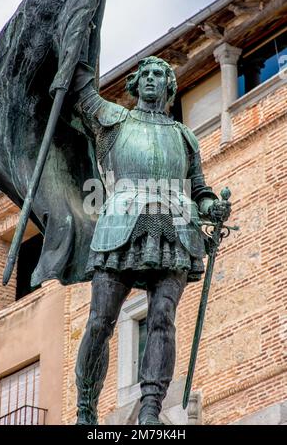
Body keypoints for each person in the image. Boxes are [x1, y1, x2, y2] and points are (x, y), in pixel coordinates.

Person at [72, 56, 231, 425]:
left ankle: (149, 410)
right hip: (120, 227)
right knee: (100, 320)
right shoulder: (114, 121)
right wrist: (79, 34)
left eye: (159, 75)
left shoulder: (184, 136)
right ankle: (85, 407)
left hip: (175, 227)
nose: (151, 79)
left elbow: (200, 190)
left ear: (169, 88)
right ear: (136, 83)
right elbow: (80, 92)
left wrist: (213, 208)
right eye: (145, 74)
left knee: (162, 317)